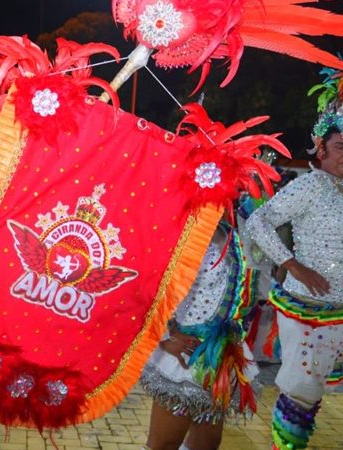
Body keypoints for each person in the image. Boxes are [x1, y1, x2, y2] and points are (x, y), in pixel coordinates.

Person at [244, 76, 343, 449]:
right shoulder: (310, 185)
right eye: (340, 146)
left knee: (311, 393)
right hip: (307, 308)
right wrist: (293, 265)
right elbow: (258, 221)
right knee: (300, 391)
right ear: (320, 149)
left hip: (339, 310)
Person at [141, 224, 259, 450]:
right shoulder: (180, 229)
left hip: (220, 359)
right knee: (164, 444)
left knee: (207, 443)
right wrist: (165, 337)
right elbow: (147, 287)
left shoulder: (235, 230)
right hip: (184, 357)